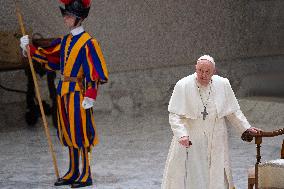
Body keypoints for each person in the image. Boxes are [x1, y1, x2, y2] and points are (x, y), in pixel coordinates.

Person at [20, 0, 108, 188]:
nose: (65, 18)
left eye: (69, 15)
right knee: (68, 133)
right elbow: (50, 59)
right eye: (65, 14)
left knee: (81, 134)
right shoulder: (65, 41)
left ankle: (86, 174)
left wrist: (90, 95)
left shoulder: (89, 43)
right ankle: (73, 171)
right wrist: (29, 48)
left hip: (78, 94)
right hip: (63, 93)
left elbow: (95, 71)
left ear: (79, 17)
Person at [161, 55, 260, 189]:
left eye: (207, 71)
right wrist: (181, 134)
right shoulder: (183, 85)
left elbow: (232, 112)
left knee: (216, 173)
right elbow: (174, 115)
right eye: (200, 70)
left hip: (216, 137)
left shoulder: (223, 84)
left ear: (214, 72)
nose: (203, 74)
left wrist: (245, 128)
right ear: (195, 68)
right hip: (192, 138)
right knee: (193, 175)